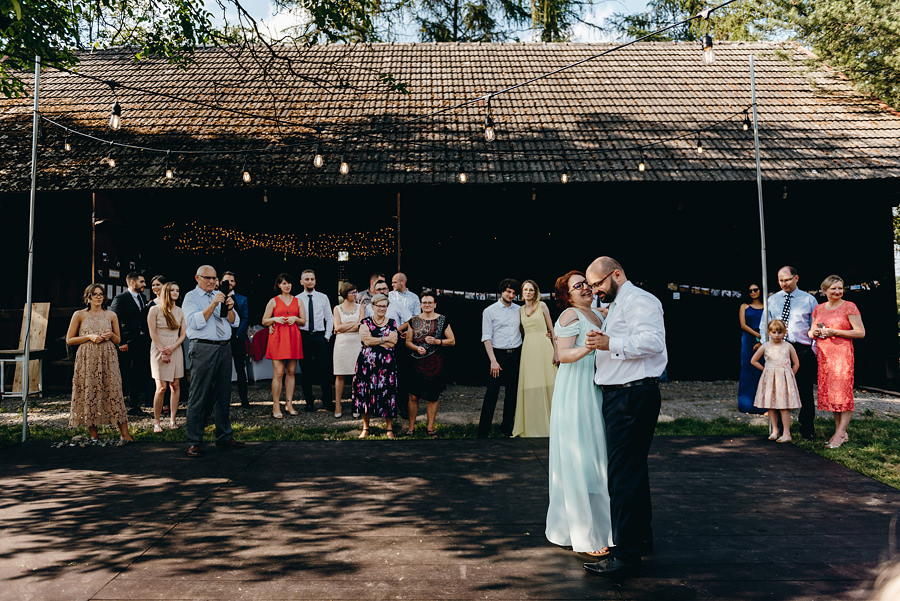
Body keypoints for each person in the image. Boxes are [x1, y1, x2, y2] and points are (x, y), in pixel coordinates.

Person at [583, 257, 667, 579]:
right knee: (633, 471)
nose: (595, 291)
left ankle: (625, 555)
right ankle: (640, 539)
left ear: (616, 274)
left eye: (598, 284)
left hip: (631, 396)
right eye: (591, 287)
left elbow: (653, 342)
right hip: (624, 395)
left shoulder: (640, 301)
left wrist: (609, 343)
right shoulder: (619, 303)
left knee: (621, 476)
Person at [545, 271, 612, 557]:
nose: (585, 287)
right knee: (579, 457)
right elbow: (564, 355)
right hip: (575, 390)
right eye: (578, 286)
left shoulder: (598, 314)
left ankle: (603, 527)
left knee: (597, 457)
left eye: (586, 282)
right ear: (567, 295)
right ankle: (583, 534)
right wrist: (589, 346)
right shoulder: (569, 317)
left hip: (596, 388)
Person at [182, 265, 245, 457]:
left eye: (214, 278)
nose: (212, 281)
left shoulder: (221, 295)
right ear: (197, 278)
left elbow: (234, 322)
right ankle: (194, 440)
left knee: (224, 394)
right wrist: (212, 305)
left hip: (224, 347)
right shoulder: (191, 298)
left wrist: (230, 308)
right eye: (207, 278)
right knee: (199, 394)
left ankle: (223, 435)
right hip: (203, 347)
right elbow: (195, 323)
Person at [66, 284, 134, 443]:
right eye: (94, 294)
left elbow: (118, 340)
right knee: (90, 391)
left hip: (108, 357)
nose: (98, 297)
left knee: (114, 390)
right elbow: (70, 340)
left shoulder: (111, 315)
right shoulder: (79, 315)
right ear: (88, 297)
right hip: (87, 357)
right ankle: (93, 434)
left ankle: (124, 433)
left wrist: (110, 334)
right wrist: (89, 336)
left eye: (101, 294)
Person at [809, 275, 866, 449]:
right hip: (825, 356)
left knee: (844, 394)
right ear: (825, 290)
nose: (837, 291)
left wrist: (835, 331)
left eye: (840, 288)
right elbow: (811, 332)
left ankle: (839, 434)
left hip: (842, 354)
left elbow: (860, 332)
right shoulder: (818, 309)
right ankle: (840, 431)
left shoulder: (849, 306)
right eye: (833, 288)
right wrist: (816, 333)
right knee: (834, 395)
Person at [766, 266, 818, 440]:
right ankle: (779, 428)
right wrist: (765, 346)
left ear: (796, 278)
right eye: (781, 280)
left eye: (787, 279)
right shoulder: (772, 300)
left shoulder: (809, 300)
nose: (784, 283)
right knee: (778, 390)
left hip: (801, 349)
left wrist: (813, 349)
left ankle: (807, 428)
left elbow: (816, 325)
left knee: (804, 389)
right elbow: (763, 323)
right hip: (778, 348)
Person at [404, 291, 455, 436]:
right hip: (416, 363)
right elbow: (408, 342)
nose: (427, 305)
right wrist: (416, 347)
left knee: (433, 396)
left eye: (430, 302)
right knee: (413, 396)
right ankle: (411, 428)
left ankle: (430, 428)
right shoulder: (413, 320)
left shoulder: (442, 320)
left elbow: (452, 340)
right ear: (420, 304)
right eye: (424, 302)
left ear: (435, 304)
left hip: (435, 364)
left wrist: (437, 341)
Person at [512, 279, 558, 438]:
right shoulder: (519, 310)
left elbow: (552, 329)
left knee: (547, 383)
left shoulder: (542, 306)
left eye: (531, 290)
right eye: (526, 290)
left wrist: (556, 351)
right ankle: (532, 424)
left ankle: (553, 423)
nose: (528, 292)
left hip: (544, 347)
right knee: (531, 384)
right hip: (528, 348)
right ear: (522, 292)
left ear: (535, 292)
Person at [477, 278, 522, 438]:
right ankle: (483, 431)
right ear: (502, 291)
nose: (511, 295)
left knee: (512, 394)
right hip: (497, 356)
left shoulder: (520, 310)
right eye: (508, 291)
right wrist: (493, 361)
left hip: (515, 354)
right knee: (491, 393)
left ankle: (506, 427)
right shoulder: (490, 311)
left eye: (514, 293)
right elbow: (486, 337)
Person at [352, 293, 398, 438]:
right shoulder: (365, 322)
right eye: (379, 306)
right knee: (365, 393)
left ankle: (389, 429)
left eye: (385, 306)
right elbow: (366, 341)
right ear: (372, 306)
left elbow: (394, 342)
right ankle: (366, 427)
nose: (382, 309)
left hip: (387, 364)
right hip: (367, 363)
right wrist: (384, 338)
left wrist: (375, 339)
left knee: (388, 393)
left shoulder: (392, 322)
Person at [262, 273, 305, 418]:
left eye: (289, 283)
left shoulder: (298, 301)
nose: (287, 286)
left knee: (291, 372)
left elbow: (303, 321)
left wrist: (295, 318)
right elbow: (264, 321)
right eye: (284, 283)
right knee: (278, 373)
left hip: (293, 337)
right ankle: (275, 405)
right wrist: (274, 319)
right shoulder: (273, 301)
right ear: (279, 285)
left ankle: (289, 403)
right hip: (278, 337)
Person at [751, 319, 801, 442]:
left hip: (784, 380)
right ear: (768, 332)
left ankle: (787, 433)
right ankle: (775, 431)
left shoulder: (788, 346)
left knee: (783, 407)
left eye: (780, 332)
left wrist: (789, 375)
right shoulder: (765, 346)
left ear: (785, 332)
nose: (777, 335)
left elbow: (796, 363)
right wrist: (766, 370)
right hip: (770, 380)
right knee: (771, 406)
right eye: (774, 332)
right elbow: (753, 360)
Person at [109, 271, 149, 416]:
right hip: (126, 343)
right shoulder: (120, 298)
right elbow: (115, 321)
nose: (144, 284)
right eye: (142, 282)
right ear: (132, 282)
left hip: (141, 342)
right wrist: (121, 342)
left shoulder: (143, 298)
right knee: (124, 373)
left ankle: (134, 405)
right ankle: (117, 405)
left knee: (137, 373)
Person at [147, 282, 186, 432]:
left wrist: (173, 347)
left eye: (177, 290)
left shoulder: (180, 311)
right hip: (159, 348)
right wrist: (163, 351)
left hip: (175, 348)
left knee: (175, 385)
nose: (175, 293)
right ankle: (157, 422)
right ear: (166, 292)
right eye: (172, 290)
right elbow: (153, 332)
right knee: (161, 387)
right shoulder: (154, 310)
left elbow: (183, 334)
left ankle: (172, 419)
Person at [296, 269, 334, 412]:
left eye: (312, 279)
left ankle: (328, 402)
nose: (310, 281)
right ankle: (309, 403)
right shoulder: (297, 299)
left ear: (315, 281)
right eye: (307, 279)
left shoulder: (323, 297)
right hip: (304, 336)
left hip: (320, 336)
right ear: (301, 282)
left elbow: (329, 318)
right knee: (306, 371)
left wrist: (327, 336)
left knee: (325, 370)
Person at [333, 282, 364, 418]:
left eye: (355, 291)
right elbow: (337, 327)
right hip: (342, 344)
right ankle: (338, 405)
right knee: (340, 375)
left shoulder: (360, 307)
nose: (355, 294)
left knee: (355, 376)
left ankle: (356, 404)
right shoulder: (337, 308)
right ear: (345, 294)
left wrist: (345, 326)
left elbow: (361, 325)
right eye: (352, 292)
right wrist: (353, 324)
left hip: (357, 343)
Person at [222, 271, 251, 408]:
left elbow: (245, 318)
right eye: (227, 280)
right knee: (223, 370)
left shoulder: (242, 299)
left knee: (241, 369)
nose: (230, 283)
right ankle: (224, 401)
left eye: (232, 281)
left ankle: (244, 399)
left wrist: (238, 334)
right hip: (222, 337)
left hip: (237, 337)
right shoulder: (216, 297)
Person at [738, 283, 766, 414]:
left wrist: (762, 339)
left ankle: (763, 404)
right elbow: (743, 325)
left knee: (762, 369)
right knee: (748, 368)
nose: (753, 292)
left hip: (764, 339)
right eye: (750, 291)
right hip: (749, 338)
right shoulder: (744, 306)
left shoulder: (767, 306)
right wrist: (758, 335)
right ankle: (746, 404)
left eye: (756, 289)